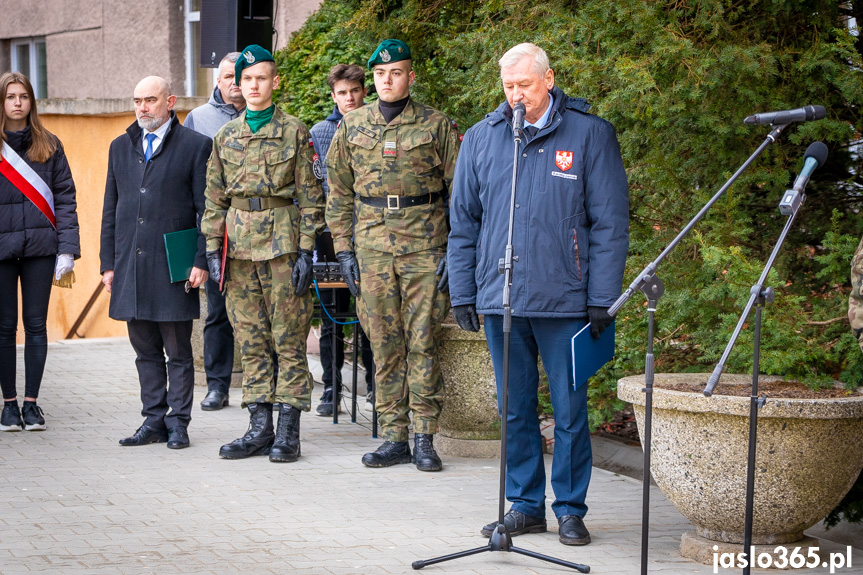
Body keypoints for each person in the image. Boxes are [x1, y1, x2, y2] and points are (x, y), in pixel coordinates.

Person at [447, 43, 629, 545]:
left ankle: (570, 508)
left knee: (570, 410)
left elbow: (610, 224)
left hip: (567, 297)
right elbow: (463, 222)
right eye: (508, 87)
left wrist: (603, 296)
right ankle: (525, 505)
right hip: (500, 298)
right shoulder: (482, 139)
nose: (516, 96)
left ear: (548, 80)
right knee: (513, 407)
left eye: (524, 85)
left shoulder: (590, 134)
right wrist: (463, 290)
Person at [326, 40, 460, 472]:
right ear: (373, 80)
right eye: (380, 74)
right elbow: (340, 193)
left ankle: (424, 437)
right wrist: (343, 250)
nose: (387, 80)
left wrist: (455, 250)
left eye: (396, 72)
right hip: (371, 249)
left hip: (424, 246)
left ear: (410, 77)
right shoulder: (353, 126)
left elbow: (461, 194)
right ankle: (393, 436)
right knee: (383, 345)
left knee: (422, 341)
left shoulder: (437, 125)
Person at [201, 45, 325, 463]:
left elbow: (311, 198)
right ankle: (259, 427)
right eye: (246, 79)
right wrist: (213, 248)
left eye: (261, 78)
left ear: (274, 82)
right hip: (237, 249)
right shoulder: (225, 136)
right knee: (251, 340)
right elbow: (214, 199)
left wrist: (307, 252)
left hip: (282, 247)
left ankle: (288, 431)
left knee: (288, 339)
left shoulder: (295, 131)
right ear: (238, 84)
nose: (253, 86)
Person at [100, 76, 211, 450]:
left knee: (178, 351)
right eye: (137, 101)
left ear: (170, 101)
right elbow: (110, 210)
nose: (143, 107)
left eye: (150, 99)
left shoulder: (197, 146)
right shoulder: (120, 147)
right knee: (145, 350)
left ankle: (178, 423)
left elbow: (206, 212)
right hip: (130, 264)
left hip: (173, 266)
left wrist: (200, 260)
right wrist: (107, 264)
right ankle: (153, 420)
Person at [0, 72, 80, 432]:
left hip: (40, 250)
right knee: (3, 330)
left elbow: (65, 199)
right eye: (10, 96)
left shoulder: (49, 144)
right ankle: (8, 405)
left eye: (23, 96)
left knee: (35, 326)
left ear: (32, 102)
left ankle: (31, 404)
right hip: (1, 250)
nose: (17, 102)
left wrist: (67, 250)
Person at [309, 63, 376, 416]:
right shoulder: (320, 132)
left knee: (370, 315)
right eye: (342, 92)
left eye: (354, 91)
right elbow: (315, 186)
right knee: (332, 314)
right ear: (333, 95)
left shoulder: (380, 125)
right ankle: (331, 388)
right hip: (331, 238)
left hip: (371, 237)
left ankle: (376, 387)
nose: (349, 98)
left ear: (364, 91)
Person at [183, 52, 245, 411]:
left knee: (260, 312)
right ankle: (218, 386)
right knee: (218, 312)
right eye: (227, 76)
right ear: (217, 81)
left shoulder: (267, 117)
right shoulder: (198, 119)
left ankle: (261, 386)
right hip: (217, 231)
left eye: (241, 75)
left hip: (263, 230)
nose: (235, 82)